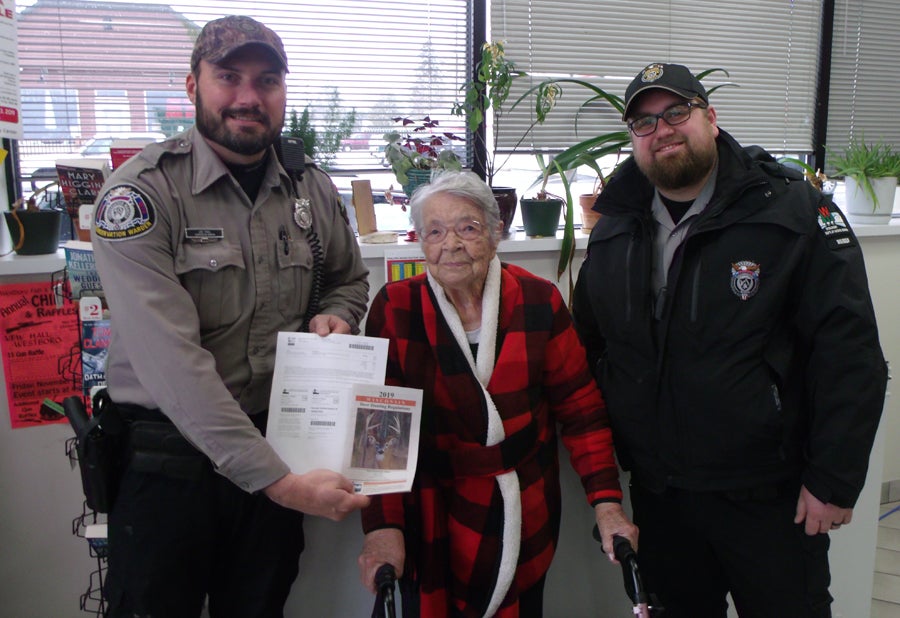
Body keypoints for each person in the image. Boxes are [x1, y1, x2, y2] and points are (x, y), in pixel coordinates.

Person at [571, 62, 888, 617]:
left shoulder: (790, 207)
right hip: (661, 494)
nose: (662, 129)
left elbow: (850, 351)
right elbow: (591, 343)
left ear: (710, 119)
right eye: (644, 122)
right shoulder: (616, 222)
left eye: (676, 111)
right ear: (633, 140)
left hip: (769, 494)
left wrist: (834, 479)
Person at [90, 15, 371, 617]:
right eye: (228, 77)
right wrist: (280, 482)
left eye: (267, 80)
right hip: (170, 465)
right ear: (192, 86)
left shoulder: (310, 188)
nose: (248, 97)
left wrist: (338, 317)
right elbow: (174, 366)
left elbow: (349, 280)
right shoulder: (138, 197)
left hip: (279, 439)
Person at [357, 170, 637, 617]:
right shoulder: (395, 307)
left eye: (467, 228)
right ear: (420, 241)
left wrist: (607, 504)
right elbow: (379, 433)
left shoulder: (538, 300)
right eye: (434, 231)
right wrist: (381, 526)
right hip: (430, 507)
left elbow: (582, 411)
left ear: (494, 233)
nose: (451, 244)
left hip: (523, 504)